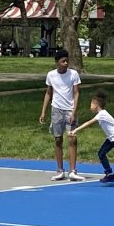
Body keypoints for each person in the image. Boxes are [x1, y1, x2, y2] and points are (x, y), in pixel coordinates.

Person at [39, 49, 83, 181]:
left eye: (67, 61)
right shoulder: (51, 75)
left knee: (72, 139)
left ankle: (73, 170)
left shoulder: (73, 74)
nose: (65, 63)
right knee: (58, 139)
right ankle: (60, 170)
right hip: (56, 109)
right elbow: (48, 93)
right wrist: (43, 112)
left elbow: (76, 93)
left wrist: (74, 112)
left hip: (69, 109)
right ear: (57, 62)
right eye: (63, 61)